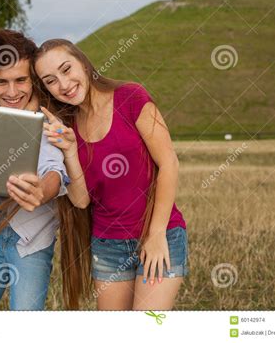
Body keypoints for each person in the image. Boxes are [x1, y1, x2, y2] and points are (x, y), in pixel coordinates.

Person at [33, 39, 189, 310]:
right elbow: (81, 201)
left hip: (159, 234)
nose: (64, 84)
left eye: (67, 69)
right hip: (108, 245)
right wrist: (69, 150)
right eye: (51, 80)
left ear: (83, 63)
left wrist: (155, 234)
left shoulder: (131, 97)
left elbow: (169, 164)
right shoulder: (66, 128)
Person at [0, 30, 70, 310]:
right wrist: (21, 114)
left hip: (32, 237)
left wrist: (42, 190)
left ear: (33, 76)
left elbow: (53, 169)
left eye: (21, 80)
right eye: (2, 82)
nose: (11, 91)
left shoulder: (49, 114)